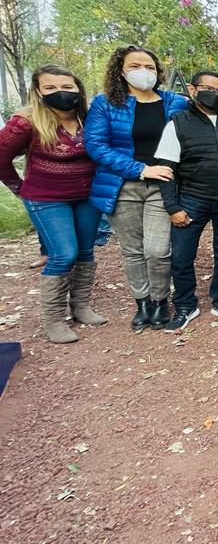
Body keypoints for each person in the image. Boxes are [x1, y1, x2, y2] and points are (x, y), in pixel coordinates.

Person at [84, 45, 188, 331]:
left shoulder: (174, 102)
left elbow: (202, 117)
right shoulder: (105, 103)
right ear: (121, 70)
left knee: (157, 249)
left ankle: (160, 299)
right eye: (135, 66)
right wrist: (140, 169)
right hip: (122, 186)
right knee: (132, 250)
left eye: (150, 67)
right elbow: (95, 145)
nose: (144, 72)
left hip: (162, 186)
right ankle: (142, 302)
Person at [0, 65, 106, 343]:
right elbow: (1, 159)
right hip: (46, 199)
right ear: (38, 91)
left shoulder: (89, 118)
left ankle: (81, 306)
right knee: (64, 253)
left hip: (87, 196)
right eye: (51, 87)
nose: (61, 92)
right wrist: (21, 190)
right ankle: (55, 319)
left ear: (78, 90)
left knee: (85, 251)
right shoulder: (27, 122)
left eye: (68, 87)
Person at [155, 71, 218, 333]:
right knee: (183, 255)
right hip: (192, 200)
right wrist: (172, 207)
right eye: (209, 89)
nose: (215, 95)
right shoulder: (178, 122)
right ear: (194, 90)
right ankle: (185, 305)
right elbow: (166, 169)